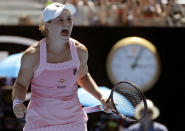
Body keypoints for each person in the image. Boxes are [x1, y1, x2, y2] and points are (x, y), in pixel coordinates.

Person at [12, 2, 112, 131]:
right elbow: (20, 84)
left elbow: (82, 76)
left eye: (69, 19)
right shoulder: (32, 55)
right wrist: (17, 102)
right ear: (48, 24)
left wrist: (101, 97)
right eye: (60, 19)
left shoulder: (80, 51)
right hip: (40, 124)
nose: (67, 23)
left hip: (74, 123)